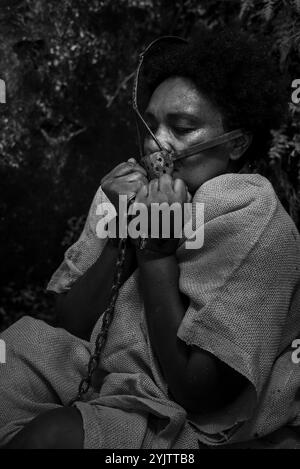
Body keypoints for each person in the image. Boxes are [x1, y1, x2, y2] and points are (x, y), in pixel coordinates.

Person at [0, 27, 299, 449]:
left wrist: (156, 248)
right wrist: (121, 227)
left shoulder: (251, 215)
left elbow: (201, 393)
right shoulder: (123, 194)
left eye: (182, 126)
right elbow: (70, 327)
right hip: (105, 375)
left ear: (236, 144)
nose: (158, 142)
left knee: (51, 438)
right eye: (151, 123)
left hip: (195, 420)